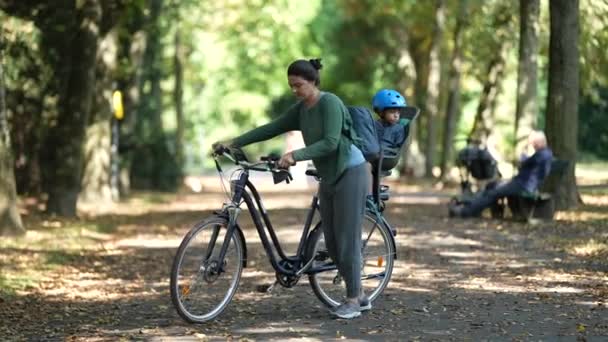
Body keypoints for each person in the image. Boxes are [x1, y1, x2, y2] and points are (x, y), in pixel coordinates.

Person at [213, 58, 369, 319]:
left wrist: (295, 155)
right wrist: (233, 142)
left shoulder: (329, 103)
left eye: (298, 85)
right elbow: (271, 128)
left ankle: (354, 300)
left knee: (346, 238)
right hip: (329, 174)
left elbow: (331, 142)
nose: (295, 90)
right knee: (330, 241)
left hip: (351, 170)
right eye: (291, 86)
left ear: (313, 82)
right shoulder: (301, 109)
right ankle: (360, 294)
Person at [449, 130, 553, 218]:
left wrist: (526, 152)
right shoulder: (544, 154)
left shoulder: (542, 154)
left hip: (523, 185)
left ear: (540, 142)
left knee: (493, 192)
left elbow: (523, 162)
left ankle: (465, 212)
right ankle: (472, 206)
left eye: (534, 142)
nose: (532, 145)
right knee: (492, 186)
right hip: (522, 183)